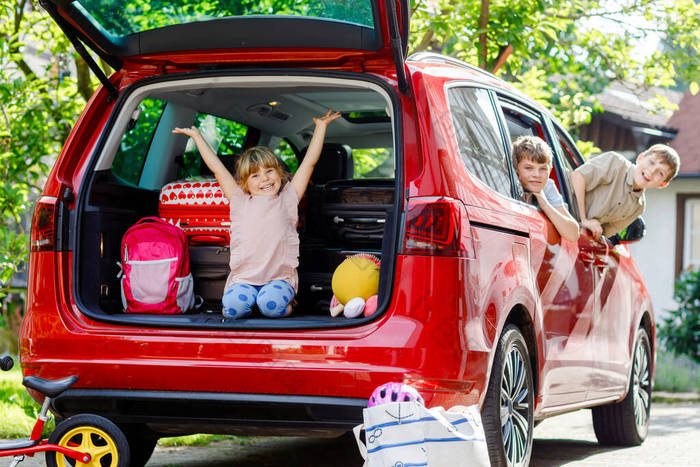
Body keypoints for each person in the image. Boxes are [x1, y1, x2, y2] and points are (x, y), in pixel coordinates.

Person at [173, 110, 341, 319]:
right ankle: (253, 301)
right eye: (255, 175)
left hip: (278, 279)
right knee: (232, 310)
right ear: (244, 183)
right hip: (244, 279)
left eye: (269, 171)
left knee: (271, 307)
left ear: (279, 174)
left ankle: (289, 302)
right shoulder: (239, 200)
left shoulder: (288, 197)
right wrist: (198, 137)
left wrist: (320, 128)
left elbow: (308, 163)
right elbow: (217, 169)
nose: (265, 179)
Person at [570, 144, 680, 239]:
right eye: (651, 162)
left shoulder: (638, 208)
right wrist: (584, 220)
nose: (651, 171)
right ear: (640, 158)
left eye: (660, 173)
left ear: (662, 184)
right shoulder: (615, 163)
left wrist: (594, 231)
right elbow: (577, 177)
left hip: (574, 235)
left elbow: (604, 233)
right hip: (562, 212)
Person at [512, 136, 580, 243]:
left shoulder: (547, 186)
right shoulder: (508, 183)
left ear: (550, 170)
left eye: (543, 169)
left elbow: (573, 234)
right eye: (528, 168)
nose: (536, 175)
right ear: (516, 169)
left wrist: (545, 205)